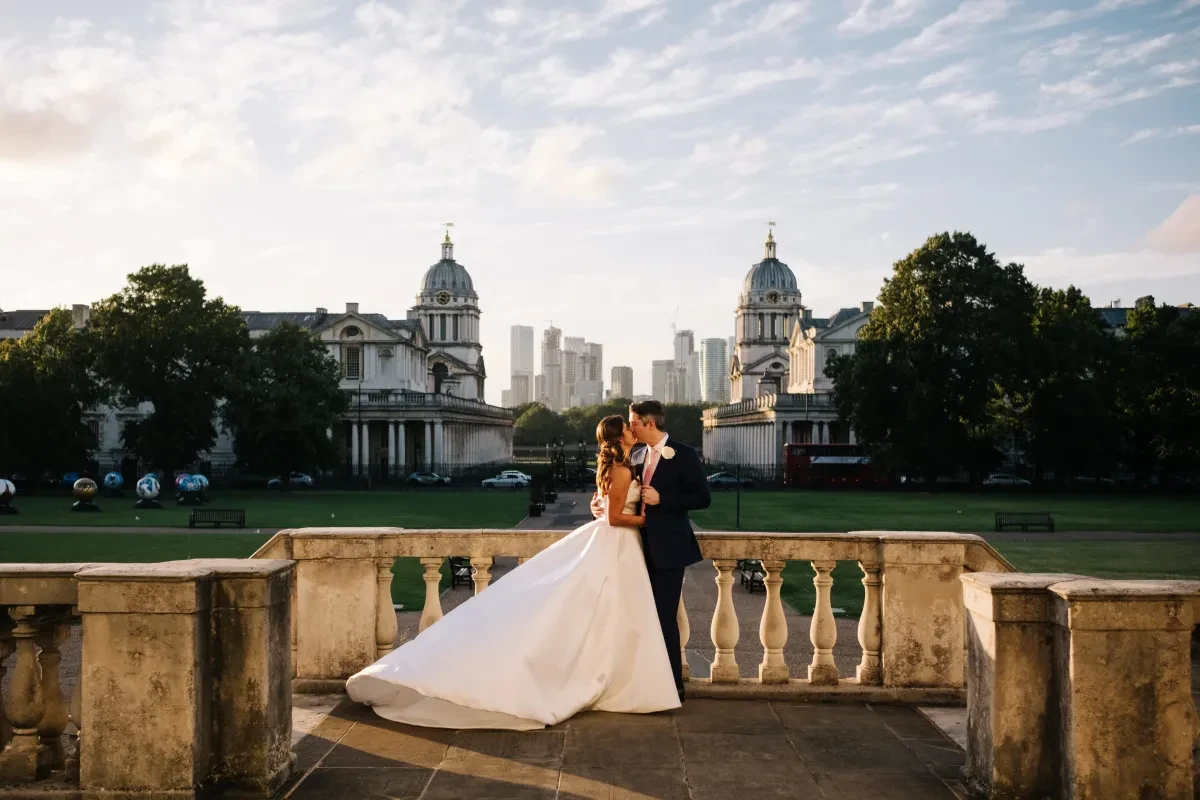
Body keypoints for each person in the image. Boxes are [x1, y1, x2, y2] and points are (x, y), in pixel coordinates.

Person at [345, 415, 680, 730]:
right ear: (619, 436)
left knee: (611, 615)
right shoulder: (621, 469)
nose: (633, 430)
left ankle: (617, 677)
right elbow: (614, 518)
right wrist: (649, 519)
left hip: (619, 546)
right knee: (604, 611)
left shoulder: (624, 464)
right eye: (628, 427)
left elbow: (604, 505)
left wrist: (609, 506)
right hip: (619, 541)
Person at [590, 400, 709, 699]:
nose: (631, 428)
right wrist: (599, 506)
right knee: (638, 616)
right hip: (634, 548)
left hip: (668, 548)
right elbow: (616, 490)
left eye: (634, 424)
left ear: (650, 424)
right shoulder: (637, 454)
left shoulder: (683, 454)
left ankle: (673, 686)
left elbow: (702, 498)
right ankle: (641, 680)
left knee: (664, 617)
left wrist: (662, 500)